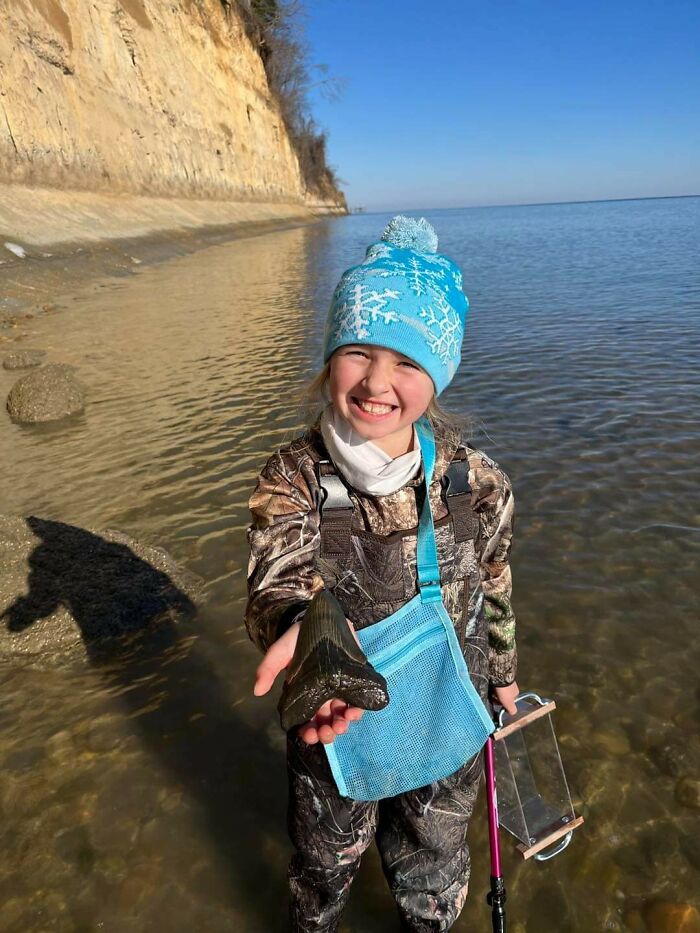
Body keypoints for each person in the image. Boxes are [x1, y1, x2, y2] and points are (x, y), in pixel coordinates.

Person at [245, 216, 519, 932]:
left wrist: (506, 676)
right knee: (322, 864)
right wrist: (303, 631)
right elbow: (277, 578)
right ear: (331, 352)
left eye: (407, 361)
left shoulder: (475, 481)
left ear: (441, 371)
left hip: (446, 715)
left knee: (434, 859)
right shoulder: (294, 478)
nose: (376, 382)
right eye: (358, 351)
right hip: (330, 723)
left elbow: (494, 576)